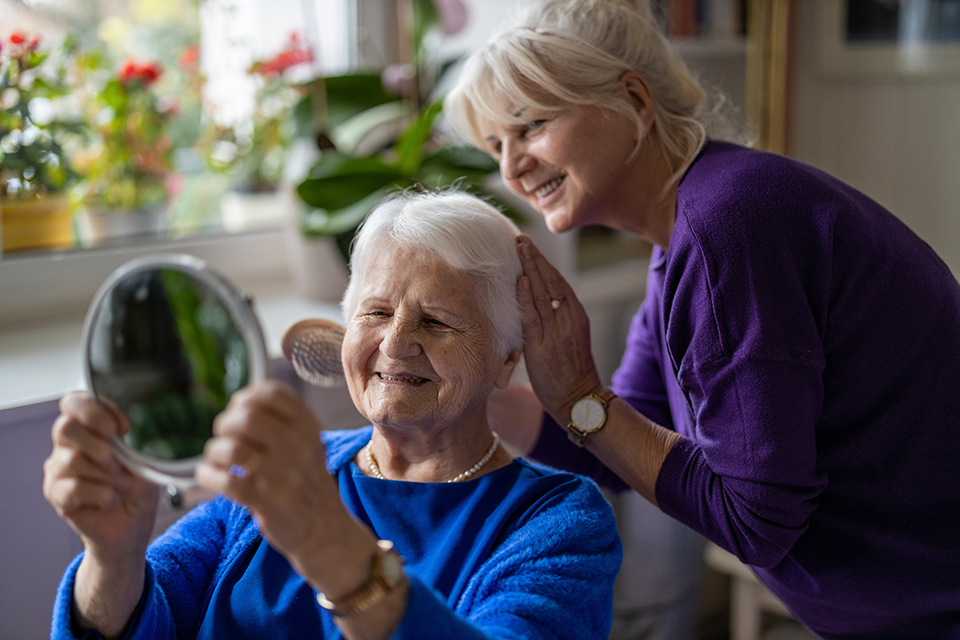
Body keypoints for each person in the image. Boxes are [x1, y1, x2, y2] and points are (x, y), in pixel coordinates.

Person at [444, 0, 960, 638]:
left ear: (633, 99)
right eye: (497, 144)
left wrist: (580, 393)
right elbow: (620, 443)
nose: (511, 166)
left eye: (531, 125)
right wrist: (466, 391)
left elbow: (755, 520)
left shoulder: (729, 230)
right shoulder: (686, 240)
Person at [42, 189, 622, 640]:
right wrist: (112, 558)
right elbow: (144, 614)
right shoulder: (287, 469)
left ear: (506, 360)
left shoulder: (557, 522)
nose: (395, 344)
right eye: (374, 312)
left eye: (437, 321)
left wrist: (328, 544)